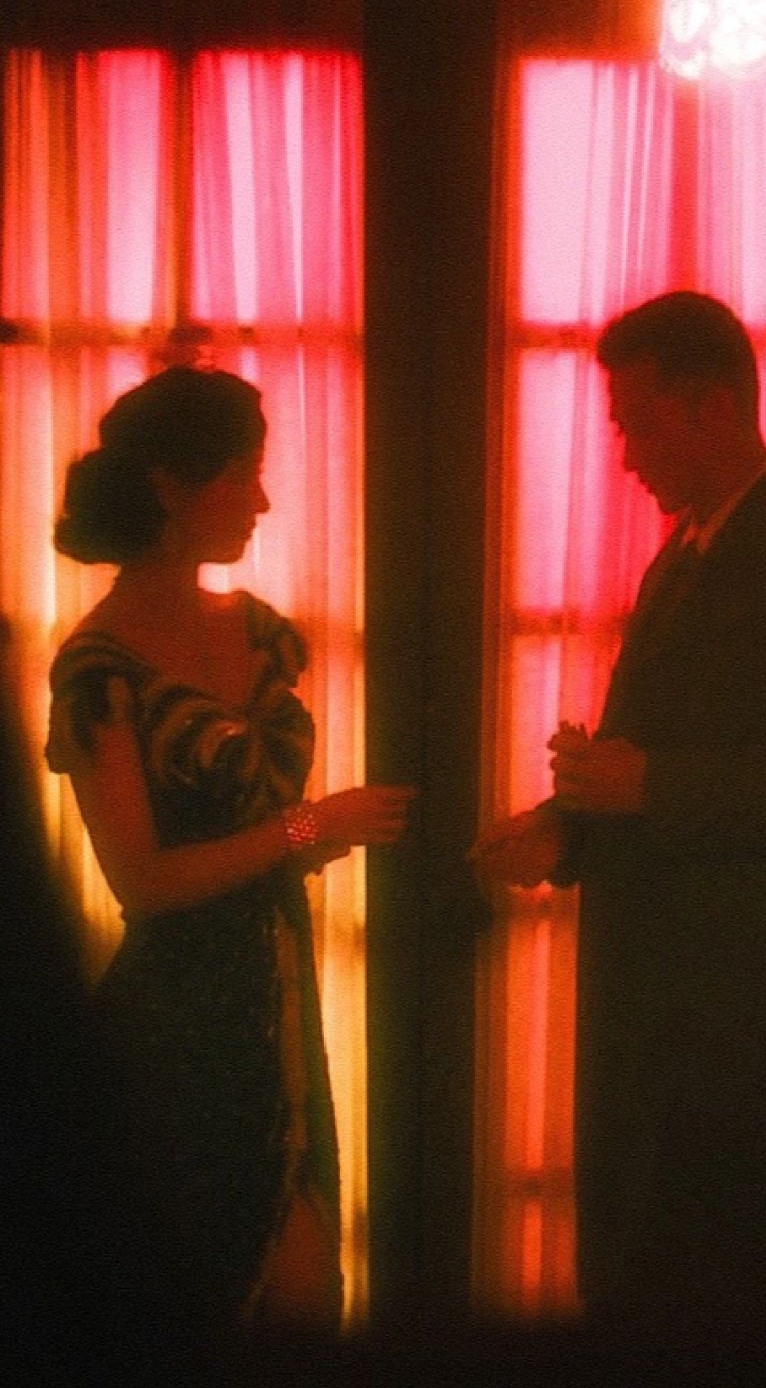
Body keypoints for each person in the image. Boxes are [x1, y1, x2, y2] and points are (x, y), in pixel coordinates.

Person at [473, 291, 766, 1321]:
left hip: (756, 1013)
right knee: (646, 1271)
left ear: (715, 408)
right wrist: (563, 828)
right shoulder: (679, 557)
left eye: (639, 425)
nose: (626, 455)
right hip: (658, 1007)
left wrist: (648, 785)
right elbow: (644, 752)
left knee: (729, 1291)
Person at [46, 366, 415, 1336]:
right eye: (243, 476)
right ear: (172, 487)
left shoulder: (257, 633)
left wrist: (314, 842)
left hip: (280, 996)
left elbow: (262, 840)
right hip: (180, 1022)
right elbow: (142, 881)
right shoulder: (99, 668)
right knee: (205, 1298)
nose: (262, 501)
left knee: (306, 1289)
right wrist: (307, 828)